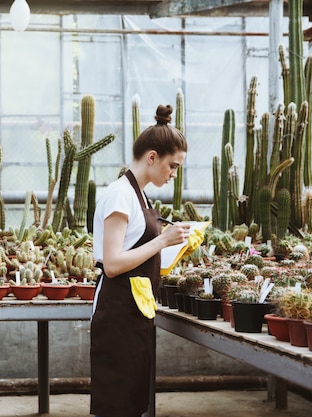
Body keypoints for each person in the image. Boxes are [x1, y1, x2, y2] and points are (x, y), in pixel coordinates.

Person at [90, 104, 191, 417]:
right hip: (118, 311)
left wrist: (176, 247)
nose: (174, 174)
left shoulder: (140, 196)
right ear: (152, 157)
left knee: (132, 402)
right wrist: (163, 240)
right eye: (172, 166)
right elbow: (113, 263)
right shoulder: (120, 195)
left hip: (135, 308)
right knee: (117, 404)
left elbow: (137, 253)